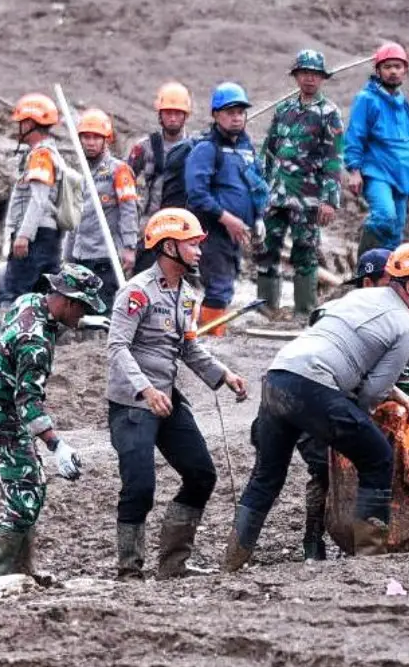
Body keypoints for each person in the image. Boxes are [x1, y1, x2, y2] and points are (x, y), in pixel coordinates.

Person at [224, 243, 409, 570]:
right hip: (313, 386)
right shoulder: (408, 326)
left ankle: (231, 562)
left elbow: (335, 341)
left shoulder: (358, 297)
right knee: (377, 457)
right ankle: (370, 558)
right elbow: (372, 392)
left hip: (277, 376)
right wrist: (367, 420)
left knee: (266, 476)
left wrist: (396, 394)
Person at [106, 208, 248, 581]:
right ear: (169, 247)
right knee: (140, 486)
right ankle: (129, 570)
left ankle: (173, 564)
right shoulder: (136, 292)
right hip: (133, 403)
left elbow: (188, 348)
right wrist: (146, 389)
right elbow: (117, 347)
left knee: (201, 474)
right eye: (192, 244)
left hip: (167, 398)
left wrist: (223, 375)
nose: (199, 250)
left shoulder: (186, 295)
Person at [0, 264, 103, 577]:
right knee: (24, 498)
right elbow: (28, 403)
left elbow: (43, 324)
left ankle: (21, 571)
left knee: (32, 486)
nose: (83, 314)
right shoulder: (36, 346)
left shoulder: (30, 301)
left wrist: (83, 323)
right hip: (1, 417)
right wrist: (57, 446)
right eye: (82, 308)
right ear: (68, 301)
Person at [294, 246, 392, 562]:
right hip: (311, 402)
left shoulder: (391, 319)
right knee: (323, 469)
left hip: (346, 405)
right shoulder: (335, 313)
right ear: (369, 283)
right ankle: (312, 540)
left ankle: (362, 537)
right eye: (390, 283)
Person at [259, 51, 345, 321]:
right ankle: (265, 308)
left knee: (304, 252)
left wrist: (330, 200)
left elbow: (333, 159)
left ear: (322, 78)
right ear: (296, 76)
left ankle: (303, 312)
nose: (309, 78)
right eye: (304, 73)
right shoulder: (284, 110)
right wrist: (260, 190)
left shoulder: (329, 113)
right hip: (276, 195)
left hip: (308, 197)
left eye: (315, 74)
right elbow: (269, 152)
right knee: (266, 248)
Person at [185, 82, 266, 335]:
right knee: (218, 286)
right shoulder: (206, 149)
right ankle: (211, 337)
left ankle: (208, 330)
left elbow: (257, 185)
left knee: (227, 284)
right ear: (216, 115)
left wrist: (259, 217)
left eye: (240, 112)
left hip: (237, 232)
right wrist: (226, 218)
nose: (237, 117)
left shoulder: (246, 149)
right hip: (212, 231)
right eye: (230, 112)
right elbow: (197, 194)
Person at [345, 43, 409, 256]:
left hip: (402, 174)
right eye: (387, 66)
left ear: (405, 70)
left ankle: (384, 271)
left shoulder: (403, 103)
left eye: (398, 66)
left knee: (396, 228)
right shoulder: (366, 99)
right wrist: (354, 170)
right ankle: (364, 267)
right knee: (384, 216)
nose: (393, 71)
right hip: (377, 171)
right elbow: (355, 134)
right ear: (378, 70)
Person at [63, 108, 138, 312]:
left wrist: (129, 247)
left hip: (106, 257)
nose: (90, 142)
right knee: (78, 311)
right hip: (80, 256)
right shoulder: (80, 174)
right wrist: (67, 255)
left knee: (102, 310)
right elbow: (75, 218)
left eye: (96, 137)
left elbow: (129, 210)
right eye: (86, 137)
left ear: (106, 140)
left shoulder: (118, 170)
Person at [1, 93, 66, 311]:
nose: (19, 127)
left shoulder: (41, 156)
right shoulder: (48, 153)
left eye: (21, 123)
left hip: (36, 236)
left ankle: (9, 331)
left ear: (30, 124)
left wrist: (24, 235)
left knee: (16, 293)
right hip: (48, 236)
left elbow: (38, 199)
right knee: (43, 298)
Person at [127, 82, 192, 273]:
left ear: (185, 116)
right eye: (168, 112)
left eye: (177, 113)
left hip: (183, 227)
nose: (172, 118)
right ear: (160, 115)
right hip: (149, 227)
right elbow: (124, 179)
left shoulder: (196, 148)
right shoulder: (144, 147)